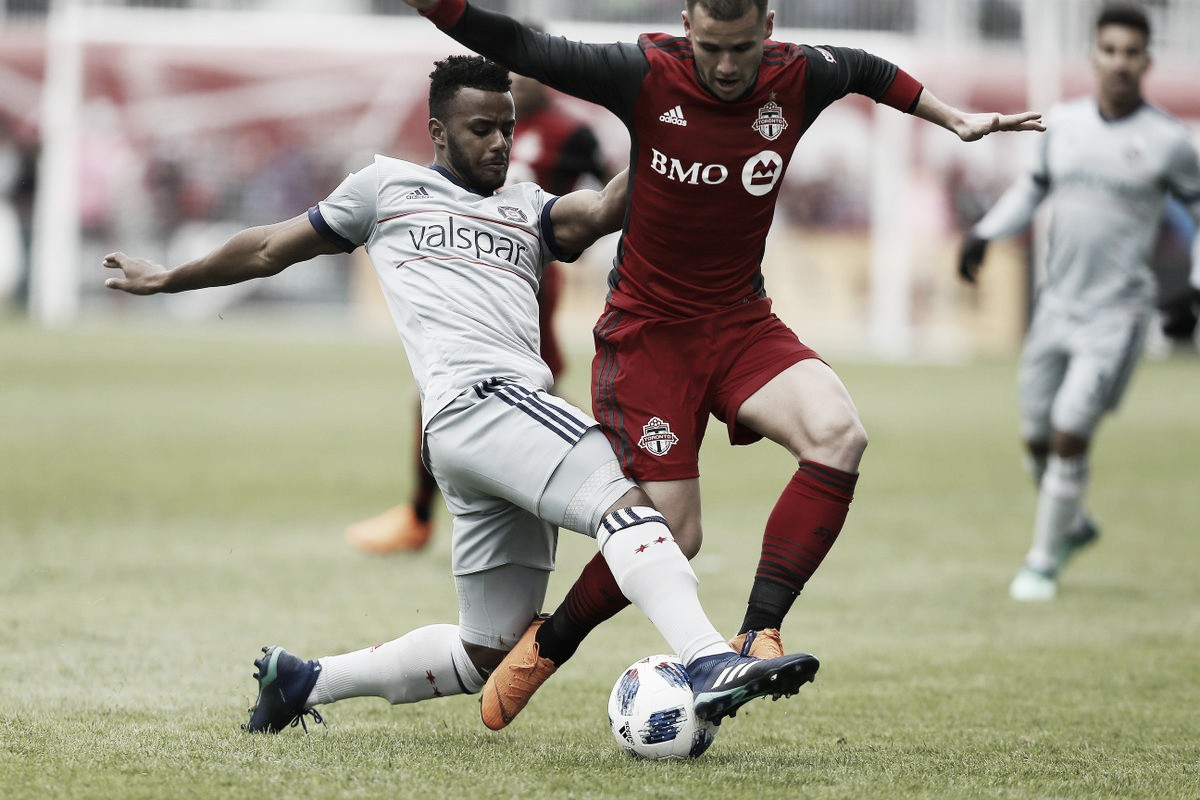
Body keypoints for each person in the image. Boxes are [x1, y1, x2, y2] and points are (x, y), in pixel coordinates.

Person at [103, 55, 819, 734]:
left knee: (486, 650)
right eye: (483, 129)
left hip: (484, 436)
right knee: (630, 504)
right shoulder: (384, 188)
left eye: (507, 126)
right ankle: (708, 658)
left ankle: (303, 681)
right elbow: (267, 247)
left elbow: (602, 211)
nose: (502, 142)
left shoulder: (529, 209)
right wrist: (169, 279)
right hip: (481, 402)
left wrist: (673, 139)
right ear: (439, 132)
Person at [401, 0, 1044, 729]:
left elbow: (866, 70)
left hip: (741, 321)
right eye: (711, 48)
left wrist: (949, 117)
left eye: (741, 48)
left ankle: (756, 632)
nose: (728, 66)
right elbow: (524, 44)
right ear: (687, 25)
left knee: (839, 434)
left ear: (768, 29)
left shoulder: (799, 75)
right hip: (648, 336)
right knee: (673, 532)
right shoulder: (643, 71)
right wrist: (441, 8)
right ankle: (546, 646)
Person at [958, 4, 1200, 601]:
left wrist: (1191, 286)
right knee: (1037, 438)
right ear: (1095, 55)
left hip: (1117, 314)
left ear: (1147, 60)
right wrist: (986, 233)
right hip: (1055, 307)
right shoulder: (1062, 125)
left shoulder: (1170, 142)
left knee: (1070, 430)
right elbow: (1029, 191)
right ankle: (1075, 520)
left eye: (1131, 52)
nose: (1120, 61)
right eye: (1109, 50)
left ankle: (1042, 561)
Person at [345, 61, 615, 554]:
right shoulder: (477, 116)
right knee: (447, 391)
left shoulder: (570, 130)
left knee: (529, 393)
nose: (520, 82)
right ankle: (420, 515)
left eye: (529, 71)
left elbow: (611, 191)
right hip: (473, 269)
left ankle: (613, 473)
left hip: (526, 278)